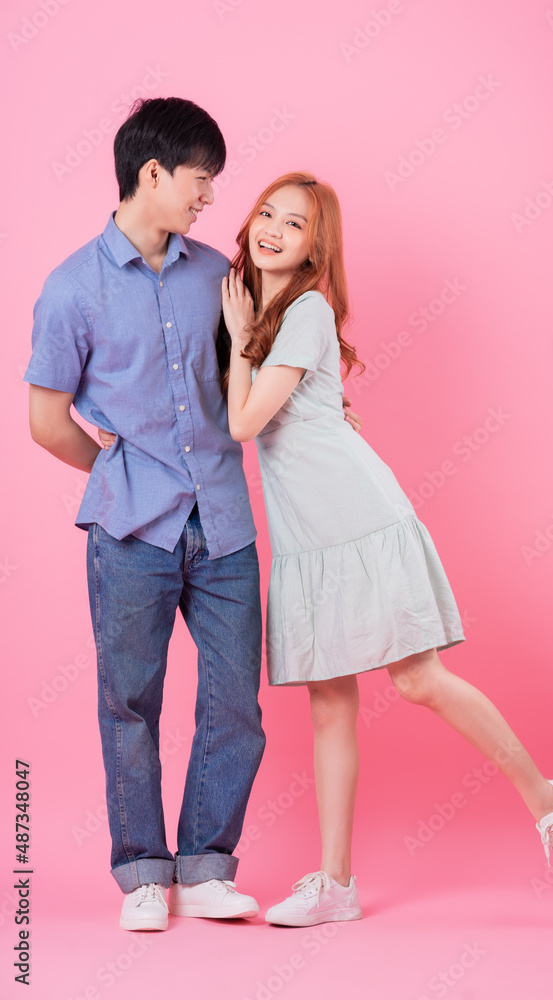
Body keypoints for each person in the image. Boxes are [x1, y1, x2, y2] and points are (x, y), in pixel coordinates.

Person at [215, 171, 553, 927]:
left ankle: (552, 801)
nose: (271, 229)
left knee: (419, 680)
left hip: (359, 521)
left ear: (313, 248)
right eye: (266, 212)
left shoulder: (306, 310)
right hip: (306, 537)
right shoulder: (255, 305)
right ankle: (336, 884)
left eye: (293, 224)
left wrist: (236, 350)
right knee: (330, 706)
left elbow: (244, 424)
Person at [24, 100, 361, 933]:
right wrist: (122, 470)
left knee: (232, 703)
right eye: (201, 178)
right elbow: (45, 419)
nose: (212, 196)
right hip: (130, 531)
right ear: (154, 175)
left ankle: (207, 867)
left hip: (224, 524)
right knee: (128, 701)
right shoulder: (71, 288)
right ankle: (142, 870)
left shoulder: (221, 273)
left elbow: (263, 369)